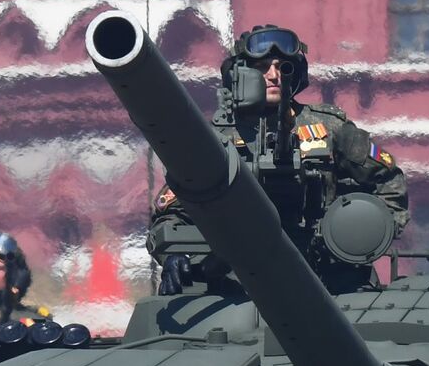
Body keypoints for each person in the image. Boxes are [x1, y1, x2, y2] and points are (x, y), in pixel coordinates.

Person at [149, 23, 409, 294]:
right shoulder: (214, 141)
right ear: (241, 74)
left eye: (282, 67)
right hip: (235, 287)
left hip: (329, 282)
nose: (274, 75)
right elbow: (172, 213)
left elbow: (389, 182)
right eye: (262, 67)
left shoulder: (330, 128)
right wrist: (175, 256)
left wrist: (359, 240)